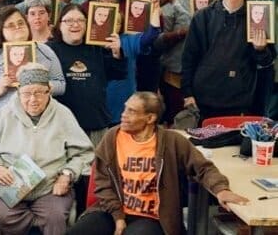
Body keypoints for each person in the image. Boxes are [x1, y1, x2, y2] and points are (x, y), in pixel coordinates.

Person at [68, 92, 249, 235]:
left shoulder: (172, 142)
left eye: (131, 111)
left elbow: (203, 168)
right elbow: (102, 182)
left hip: (152, 217)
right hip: (112, 210)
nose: (123, 115)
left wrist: (221, 189)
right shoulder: (112, 137)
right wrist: (118, 216)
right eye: (125, 109)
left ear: (150, 118)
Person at [0, 64, 94, 235]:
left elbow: (83, 153)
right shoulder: (5, 113)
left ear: (49, 91)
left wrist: (67, 175)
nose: (33, 99)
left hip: (51, 186)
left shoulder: (62, 114)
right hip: (10, 184)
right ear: (19, 92)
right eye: (27, 93)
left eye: (39, 92)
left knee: (55, 216)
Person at [182, 0, 275, 121]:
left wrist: (260, 50)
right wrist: (188, 93)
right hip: (205, 97)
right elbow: (189, 58)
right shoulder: (203, 16)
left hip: (241, 100)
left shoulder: (258, 14)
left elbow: (267, 62)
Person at [48, 4, 127, 148]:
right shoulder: (49, 50)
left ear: (87, 24)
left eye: (80, 20)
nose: (75, 25)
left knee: (97, 168)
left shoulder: (97, 47)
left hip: (96, 122)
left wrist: (116, 52)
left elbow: (119, 74)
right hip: (61, 126)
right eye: (69, 21)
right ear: (60, 25)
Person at [0, 6, 65, 122]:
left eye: (21, 23)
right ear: (1, 30)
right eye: (10, 25)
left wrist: (43, 85)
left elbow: (61, 84)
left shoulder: (45, 51)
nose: (17, 27)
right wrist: (0, 88)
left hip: (38, 122)